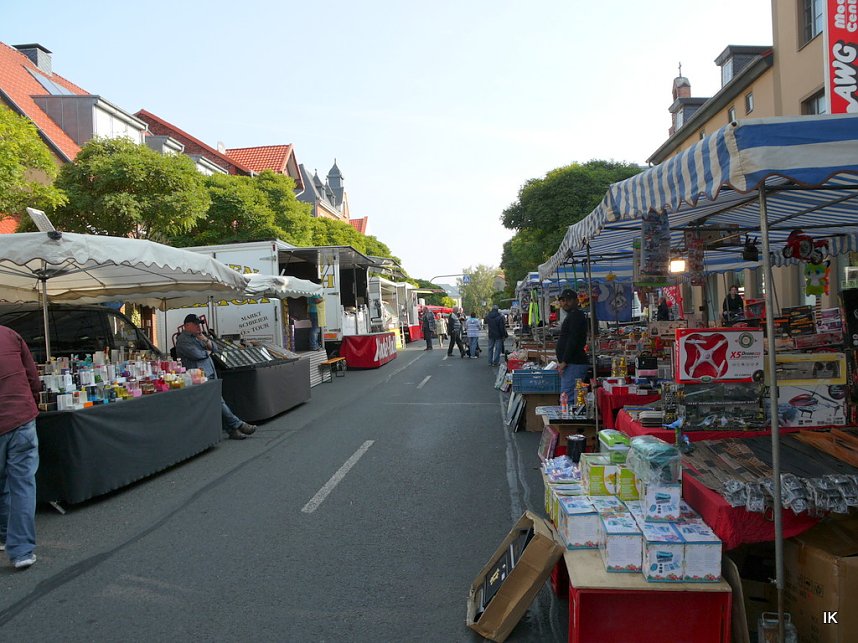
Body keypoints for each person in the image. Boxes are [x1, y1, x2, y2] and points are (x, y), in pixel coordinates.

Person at [175, 314, 257, 440]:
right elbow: (196, 354)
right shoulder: (183, 339)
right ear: (187, 325)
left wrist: (204, 339)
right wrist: (208, 352)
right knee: (219, 401)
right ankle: (238, 424)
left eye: (199, 323)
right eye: (195, 324)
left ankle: (232, 430)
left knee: (218, 402)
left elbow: (215, 348)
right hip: (199, 375)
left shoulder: (198, 337)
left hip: (209, 372)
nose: (198, 326)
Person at [0, 324, 41, 570]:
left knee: (7, 483)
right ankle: (22, 551)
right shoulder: (10, 334)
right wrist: (32, 400)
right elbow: (32, 376)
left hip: (16, 416)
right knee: (22, 483)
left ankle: (6, 536)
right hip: (20, 417)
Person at [555, 289, 590, 399]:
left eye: (569, 300)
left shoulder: (576, 316)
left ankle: (568, 416)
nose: (565, 303)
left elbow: (573, 340)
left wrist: (564, 361)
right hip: (572, 364)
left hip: (574, 363)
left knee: (568, 397)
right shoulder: (572, 315)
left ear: (576, 301)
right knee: (569, 396)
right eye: (563, 300)